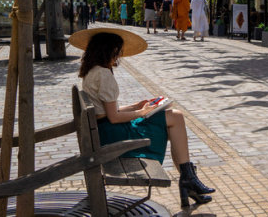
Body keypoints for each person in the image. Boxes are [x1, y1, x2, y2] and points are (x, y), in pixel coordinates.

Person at [70, 27, 215, 207]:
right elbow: (114, 117)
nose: (118, 57)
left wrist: (136, 106)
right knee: (176, 118)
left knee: (174, 121)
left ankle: (188, 178)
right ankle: (188, 179)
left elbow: (106, 112)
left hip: (104, 131)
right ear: (108, 50)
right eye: (116, 51)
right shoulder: (104, 74)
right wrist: (143, 112)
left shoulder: (92, 71)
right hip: (113, 135)